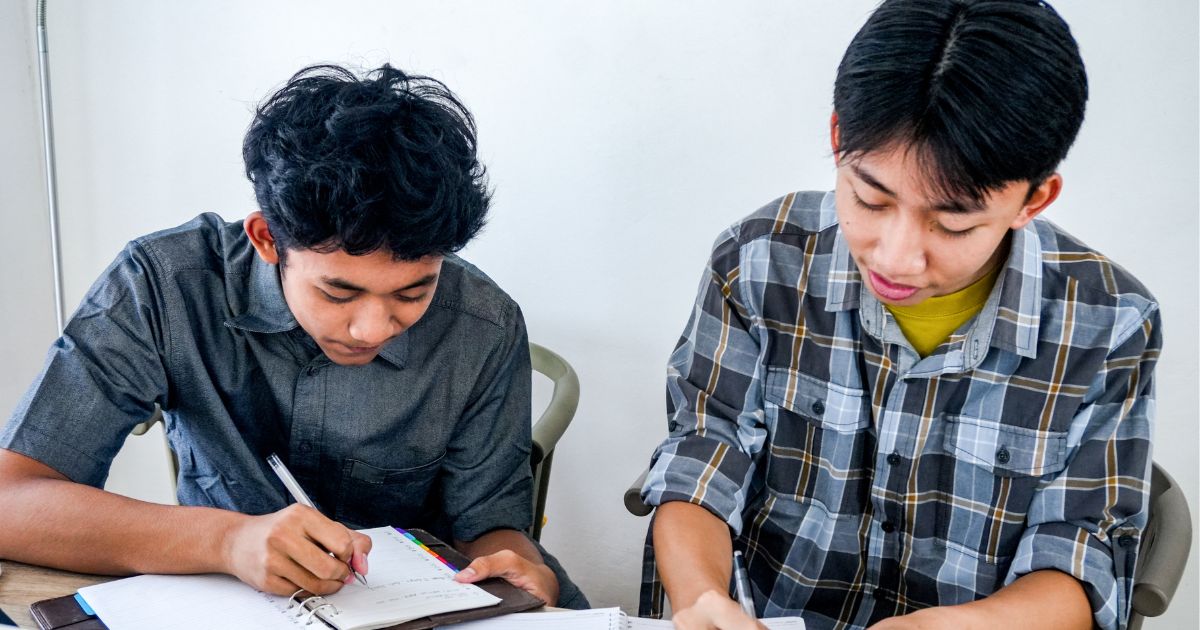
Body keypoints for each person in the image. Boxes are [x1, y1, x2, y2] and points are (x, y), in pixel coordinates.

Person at [640, 1, 1158, 629]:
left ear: (1034, 198)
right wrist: (700, 599)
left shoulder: (1109, 323)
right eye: (870, 198)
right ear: (837, 138)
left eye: (952, 223)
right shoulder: (758, 262)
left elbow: (1079, 554)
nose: (897, 257)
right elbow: (702, 458)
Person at [0, 64, 586, 609]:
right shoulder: (165, 287)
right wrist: (227, 541)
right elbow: (11, 501)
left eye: (413, 293)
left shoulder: (483, 323)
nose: (372, 329)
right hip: (235, 603)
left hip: (424, 611)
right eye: (338, 293)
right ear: (266, 240)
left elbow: (490, 525)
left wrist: (517, 568)